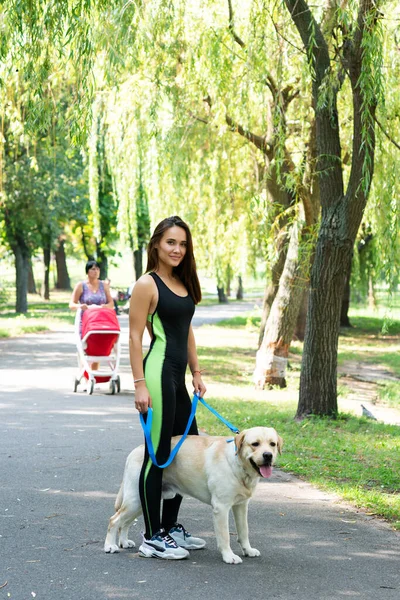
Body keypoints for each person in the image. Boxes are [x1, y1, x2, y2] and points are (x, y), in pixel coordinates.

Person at [129, 215, 207, 560]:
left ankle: (171, 528)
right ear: (157, 244)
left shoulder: (182, 281)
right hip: (158, 374)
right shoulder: (146, 284)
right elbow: (134, 336)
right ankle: (152, 535)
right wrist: (139, 385)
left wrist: (197, 372)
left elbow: (187, 330)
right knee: (158, 456)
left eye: (183, 243)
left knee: (187, 453)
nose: (177, 249)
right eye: (171, 242)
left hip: (178, 376)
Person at [69, 259, 115, 370]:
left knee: (98, 346)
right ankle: (84, 373)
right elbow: (71, 304)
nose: (96, 271)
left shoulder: (104, 285)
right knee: (84, 347)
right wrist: (80, 306)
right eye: (93, 269)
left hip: (100, 321)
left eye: (98, 269)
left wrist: (105, 307)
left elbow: (111, 303)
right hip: (86, 321)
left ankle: (93, 374)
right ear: (87, 271)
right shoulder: (81, 286)